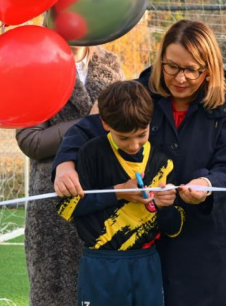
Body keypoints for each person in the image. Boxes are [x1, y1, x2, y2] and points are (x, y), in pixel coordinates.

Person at [52, 20, 226, 306]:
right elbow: (86, 129)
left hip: (204, 239)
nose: (180, 78)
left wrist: (206, 185)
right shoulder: (138, 93)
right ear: (161, 60)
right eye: (172, 66)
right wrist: (65, 165)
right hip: (145, 240)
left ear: (208, 69)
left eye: (191, 70)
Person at [57, 80, 182, 305]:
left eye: (141, 135)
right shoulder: (90, 154)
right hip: (101, 262)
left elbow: (173, 228)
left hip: (147, 261)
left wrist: (165, 207)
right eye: (124, 137)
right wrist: (117, 192)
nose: (134, 145)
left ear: (150, 123)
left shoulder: (163, 162)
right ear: (105, 124)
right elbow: (67, 208)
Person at [15, 45, 122, 306]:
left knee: (103, 292)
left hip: (105, 199)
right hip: (54, 202)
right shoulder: (35, 64)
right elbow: (31, 141)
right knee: (54, 293)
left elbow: (125, 125)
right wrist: (93, 122)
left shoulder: (110, 63)